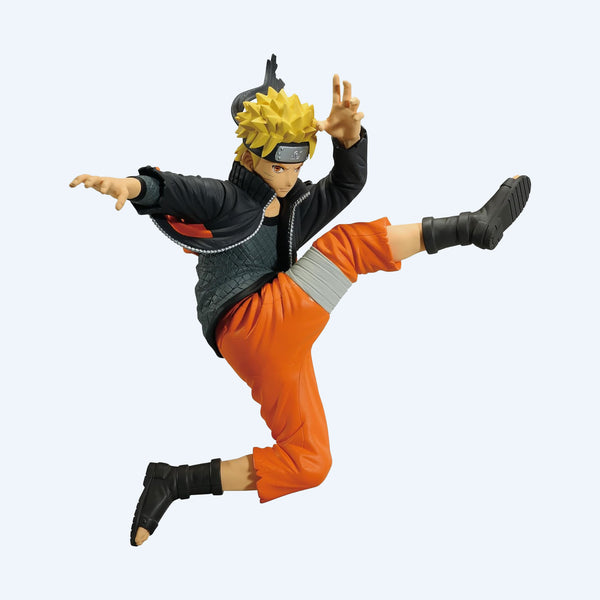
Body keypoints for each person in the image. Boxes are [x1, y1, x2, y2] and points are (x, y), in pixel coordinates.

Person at [69, 56, 530, 547]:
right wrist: (133, 187)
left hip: (270, 349)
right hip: (251, 320)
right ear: (250, 158)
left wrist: (349, 141)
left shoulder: (293, 209)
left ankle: (174, 481)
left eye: (296, 167)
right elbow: (177, 190)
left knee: (309, 460)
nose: (288, 179)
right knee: (346, 246)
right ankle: (470, 227)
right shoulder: (226, 200)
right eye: (277, 167)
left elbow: (346, 186)